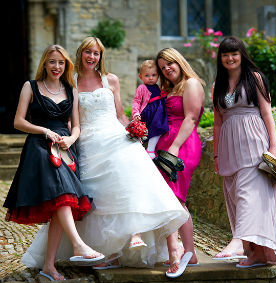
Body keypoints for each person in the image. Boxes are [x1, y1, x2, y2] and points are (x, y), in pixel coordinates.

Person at [22, 37, 189, 270]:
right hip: (89, 142)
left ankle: (149, 238)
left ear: (101, 56)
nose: (92, 57)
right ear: (80, 54)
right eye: (88, 52)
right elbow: (73, 121)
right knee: (98, 194)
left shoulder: (111, 80)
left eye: (97, 53)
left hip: (115, 135)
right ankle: (109, 250)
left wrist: (134, 129)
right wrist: (67, 138)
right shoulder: (71, 83)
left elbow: (120, 114)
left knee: (135, 172)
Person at [3, 45, 104, 281]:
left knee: (62, 200)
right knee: (62, 192)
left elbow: (76, 125)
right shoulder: (30, 86)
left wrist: (70, 138)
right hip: (39, 147)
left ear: (66, 65)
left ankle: (48, 266)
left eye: (61, 62)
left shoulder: (72, 89)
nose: (56, 67)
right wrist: (45, 131)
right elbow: (18, 121)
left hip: (65, 148)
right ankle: (78, 244)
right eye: (52, 62)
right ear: (44, 64)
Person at [212, 36, 276, 268]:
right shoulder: (218, 85)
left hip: (254, 144)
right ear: (220, 58)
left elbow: (267, 114)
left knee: (249, 196)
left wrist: (273, 147)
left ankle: (237, 242)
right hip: (229, 148)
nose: (230, 58)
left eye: (234, 53)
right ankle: (256, 253)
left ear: (242, 55)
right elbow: (218, 124)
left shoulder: (255, 79)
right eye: (225, 54)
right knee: (235, 195)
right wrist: (216, 154)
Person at [155, 48, 205, 277]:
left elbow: (191, 117)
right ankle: (180, 251)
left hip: (182, 145)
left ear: (179, 62)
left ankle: (185, 251)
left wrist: (174, 147)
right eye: (163, 66)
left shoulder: (192, 83)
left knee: (176, 198)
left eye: (170, 64)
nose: (167, 68)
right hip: (166, 144)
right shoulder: (170, 88)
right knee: (167, 198)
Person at [131, 60, 168, 158]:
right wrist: (136, 113)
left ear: (158, 76)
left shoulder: (159, 87)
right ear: (140, 77)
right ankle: (142, 150)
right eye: (147, 76)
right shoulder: (142, 87)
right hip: (147, 113)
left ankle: (150, 149)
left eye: (154, 75)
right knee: (142, 133)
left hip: (158, 113)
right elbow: (136, 101)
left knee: (158, 128)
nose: (151, 78)